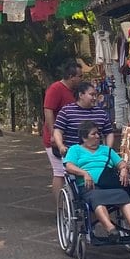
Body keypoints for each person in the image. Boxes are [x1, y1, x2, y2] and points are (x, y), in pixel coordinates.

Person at [64, 120, 130, 241]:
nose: (98, 136)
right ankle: (111, 230)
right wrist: (84, 173)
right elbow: (69, 166)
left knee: (123, 195)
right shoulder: (75, 150)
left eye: (98, 133)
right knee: (96, 198)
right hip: (89, 187)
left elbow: (121, 163)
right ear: (84, 138)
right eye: (94, 134)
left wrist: (123, 169)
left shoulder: (106, 150)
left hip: (109, 185)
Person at [42, 60, 82, 199]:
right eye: (79, 76)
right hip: (56, 138)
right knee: (59, 171)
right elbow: (48, 111)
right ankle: (61, 205)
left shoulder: (73, 91)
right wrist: (53, 134)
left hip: (69, 137)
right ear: (72, 76)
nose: (80, 79)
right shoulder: (56, 89)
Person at [52, 81, 116, 160]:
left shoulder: (101, 113)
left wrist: (108, 150)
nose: (94, 98)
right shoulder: (66, 111)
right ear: (81, 95)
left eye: (95, 95)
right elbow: (58, 131)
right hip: (73, 157)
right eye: (91, 95)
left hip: (96, 157)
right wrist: (61, 146)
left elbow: (109, 133)